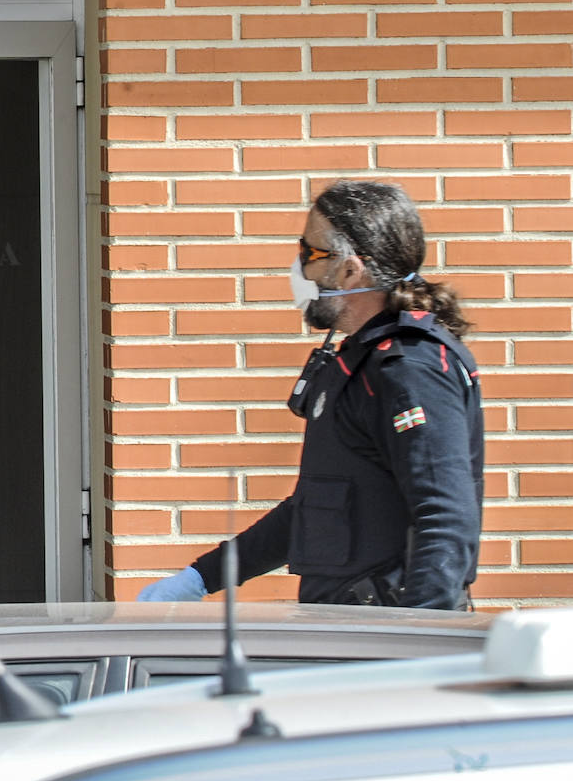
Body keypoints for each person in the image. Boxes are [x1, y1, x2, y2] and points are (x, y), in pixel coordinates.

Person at [139, 181, 483, 609]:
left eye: (310, 254)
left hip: (386, 647)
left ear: (350, 270)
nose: (300, 269)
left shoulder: (410, 370)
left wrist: (423, 643)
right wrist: (199, 578)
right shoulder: (360, 360)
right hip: (343, 635)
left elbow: (446, 518)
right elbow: (316, 509)